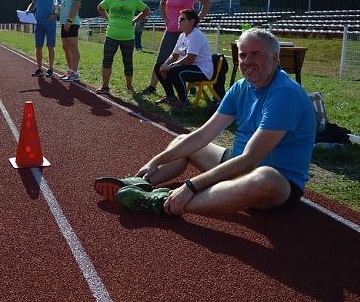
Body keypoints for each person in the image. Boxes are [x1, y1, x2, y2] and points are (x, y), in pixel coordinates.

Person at [95, 28, 316, 217]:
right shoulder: (241, 88)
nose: (247, 62)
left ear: (275, 58)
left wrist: (191, 186)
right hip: (238, 164)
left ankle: (162, 204)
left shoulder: (285, 93)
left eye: (255, 54)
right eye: (242, 55)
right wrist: (156, 160)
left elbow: (250, 159)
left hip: (278, 183)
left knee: (265, 176)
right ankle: (141, 182)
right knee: (183, 141)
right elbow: (203, 135)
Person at [140, 0, 211, 96]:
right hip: (171, 31)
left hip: (187, 32)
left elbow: (207, 2)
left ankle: (191, 89)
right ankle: (152, 87)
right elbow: (162, 5)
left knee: (189, 60)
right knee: (161, 59)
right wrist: (166, 19)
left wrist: (196, 20)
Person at [95, 0, 150, 94]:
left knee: (128, 62)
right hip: (111, 36)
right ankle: (105, 86)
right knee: (107, 61)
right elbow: (100, 7)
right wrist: (108, 17)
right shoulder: (111, 0)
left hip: (128, 37)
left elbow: (146, 11)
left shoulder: (134, 0)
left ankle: (129, 86)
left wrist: (135, 20)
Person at [154, 9, 213, 110]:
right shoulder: (182, 35)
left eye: (182, 19)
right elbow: (174, 55)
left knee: (175, 70)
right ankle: (171, 97)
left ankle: (183, 101)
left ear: (192, 21)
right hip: (190, 67)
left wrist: (170, 66)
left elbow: (189, 59)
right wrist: (165, 65)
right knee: (158, 66)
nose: (179, 21)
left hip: (202, 69)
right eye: (178, 19)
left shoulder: (196, 35)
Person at [25, 0, 62, 78]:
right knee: (38, 47)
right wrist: (28, 10)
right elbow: (33, 3)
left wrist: (54, 16)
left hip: (50, 24)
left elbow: (59, 9)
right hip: (39, 24)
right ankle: (40, 68)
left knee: (51, 47)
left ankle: (50, 69)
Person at [58, 0, 83, 82]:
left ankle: (75, 73)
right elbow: (66, 4)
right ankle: (70, 70)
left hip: (71, 22)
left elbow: (76, 5)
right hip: (64, 22)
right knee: (65, 46)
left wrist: (69, 21)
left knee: (73, 47)